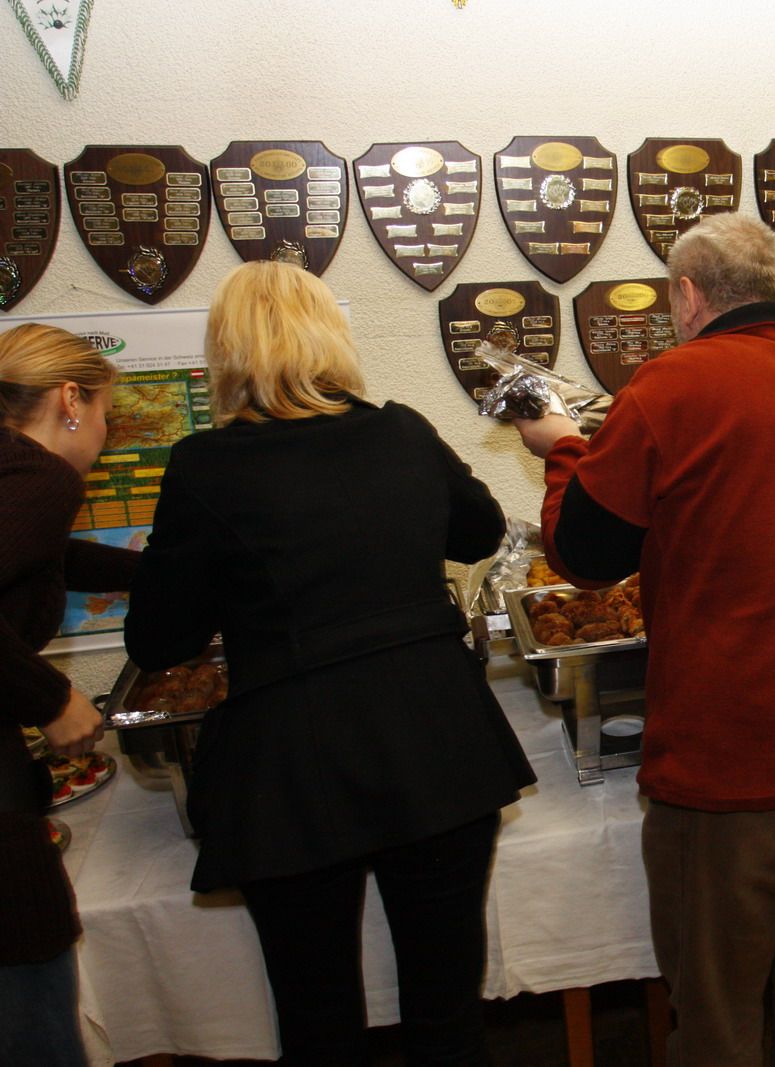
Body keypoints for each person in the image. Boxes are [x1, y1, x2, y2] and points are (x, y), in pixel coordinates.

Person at [514, 212, 775, 1067]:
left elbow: (583, 556)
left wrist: (561, 447)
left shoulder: (673, 385)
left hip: (743, 779)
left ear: (688, 297)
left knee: (718, 1027)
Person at [124, 261, 535, 1067]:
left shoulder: (206, 465)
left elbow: (159, 640)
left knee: (318, 1022)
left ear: (226, 352)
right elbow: (479, 532)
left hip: (291, 763)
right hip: (436, 740)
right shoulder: (402, 431)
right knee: (447, 1012)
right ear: (331, 339)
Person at [0, 323, 141, 1067]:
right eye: (106, 413)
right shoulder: (42, 477)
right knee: (32, 974)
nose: (107, 434)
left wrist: (162, 572)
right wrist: (52, 698)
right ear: (70, 400)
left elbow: (44, 559)